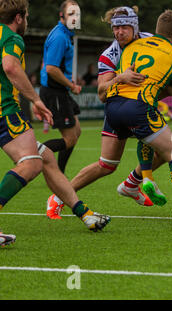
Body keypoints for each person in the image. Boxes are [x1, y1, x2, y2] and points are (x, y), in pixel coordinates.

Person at [0, 0, 110, 242]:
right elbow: (11, 67)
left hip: (8, 109)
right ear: (19, 18)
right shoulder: (12, 38)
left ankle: (84, 213)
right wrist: (36, 100)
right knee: (31, 164)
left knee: (46, 157)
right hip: (4, 111)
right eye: (26, 16)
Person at [46, 5, 158, 219]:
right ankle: (59, 197)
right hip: (119, 110)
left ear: (134, 27)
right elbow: (101, 94)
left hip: (142, 108)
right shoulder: (110, 55)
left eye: (124, 27)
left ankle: (132, 184)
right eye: (115, 28)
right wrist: (120, 78)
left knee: (166, 148)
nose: (119, 32)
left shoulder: (150, 42)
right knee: (106, 165)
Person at [104, 8, 172, 226]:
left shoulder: (131, 46)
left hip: (112, 108)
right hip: (138, 108)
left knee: (147, 137)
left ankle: (143, 180)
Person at [39, 0, 83, 174]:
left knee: (76, 131)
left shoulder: (65, 34)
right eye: (71, 13)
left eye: (77, 14)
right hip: (54, 91)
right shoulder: (59, 36)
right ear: (62, 15)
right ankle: (32, 154)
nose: (75, 17)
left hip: (60, 91)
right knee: (70, 139)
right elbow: (51, 69)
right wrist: (71, 85)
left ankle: (59, 172)